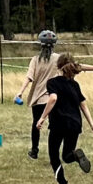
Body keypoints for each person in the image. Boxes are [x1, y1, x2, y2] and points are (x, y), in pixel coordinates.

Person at [42, 52, 93, 184]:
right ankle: (76, 155)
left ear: (58, 66)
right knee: (67, 155)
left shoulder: (52, 83)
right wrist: (92, 125)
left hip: (58, 124)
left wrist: (41, 118)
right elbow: (83, 105)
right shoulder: (75, 85)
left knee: (54, 156)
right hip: (75, 124)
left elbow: (53, 99)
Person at [14, 29, 60, 159]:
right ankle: (54, 152)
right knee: (54, 126)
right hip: (53, 98)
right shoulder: (58, 59)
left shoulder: (35, 60)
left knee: (36, 124)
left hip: (38, 99)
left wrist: (20, 92)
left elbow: (29, 77)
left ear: (41, 44)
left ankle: (34, 151)